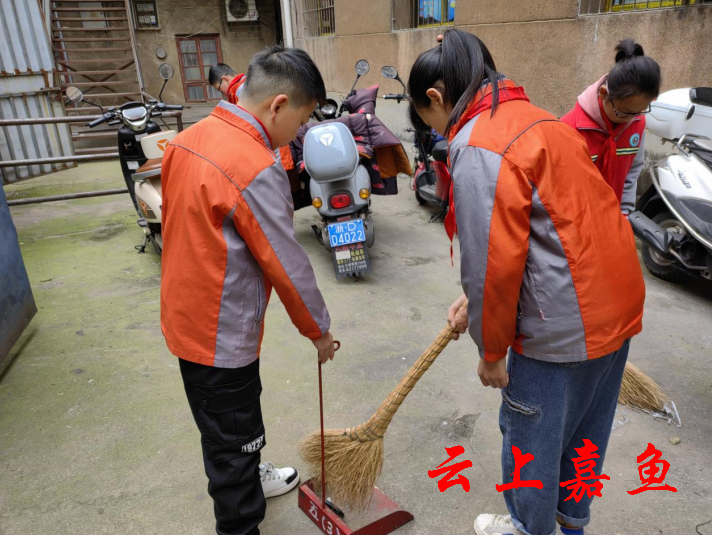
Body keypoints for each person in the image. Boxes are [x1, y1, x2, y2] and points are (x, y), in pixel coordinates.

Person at [408, 29, 645, 535]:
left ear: (435, 98)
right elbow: (544, 232)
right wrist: (474, 299)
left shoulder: (477, 143)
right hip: (616, 304)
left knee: (531, 440)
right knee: (584, 433)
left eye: (428, 119)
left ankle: (527, 527)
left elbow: (492, 261)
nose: (436, 130)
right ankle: (571, 523)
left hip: (563, 322)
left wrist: (492, 350)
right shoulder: (542, 119)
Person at [161, 45, 336, 535]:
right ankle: (240, 519)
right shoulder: (255, 165)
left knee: (222, 425)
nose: (299, 132)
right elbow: (285, 262)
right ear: (278, 105)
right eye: (301, 120)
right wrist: (319, 330)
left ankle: (248, 467)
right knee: (232, 442)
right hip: (220, 335)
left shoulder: (186, 139)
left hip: (184, 316)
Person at [561, 39, 661, 215]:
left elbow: (631, 173)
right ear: (604, 94)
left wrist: (625, 213)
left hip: (613, 216)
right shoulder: (569, 129)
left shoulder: (637, 122)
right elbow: (562, 188)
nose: (630, 119)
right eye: (624, 112)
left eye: (639, 111)